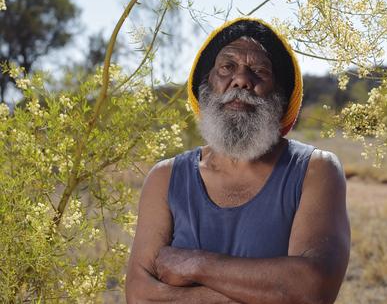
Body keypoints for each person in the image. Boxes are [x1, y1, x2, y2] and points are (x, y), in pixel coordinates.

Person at [125, 18, 350, 303]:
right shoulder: (165, 177)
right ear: (206, 85)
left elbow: (311, 290)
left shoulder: (315, 170)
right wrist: (259, 292)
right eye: (227, 67)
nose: (242, 80)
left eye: (259, 71)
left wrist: (196, 265)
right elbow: (140, 296)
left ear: (279, 96)